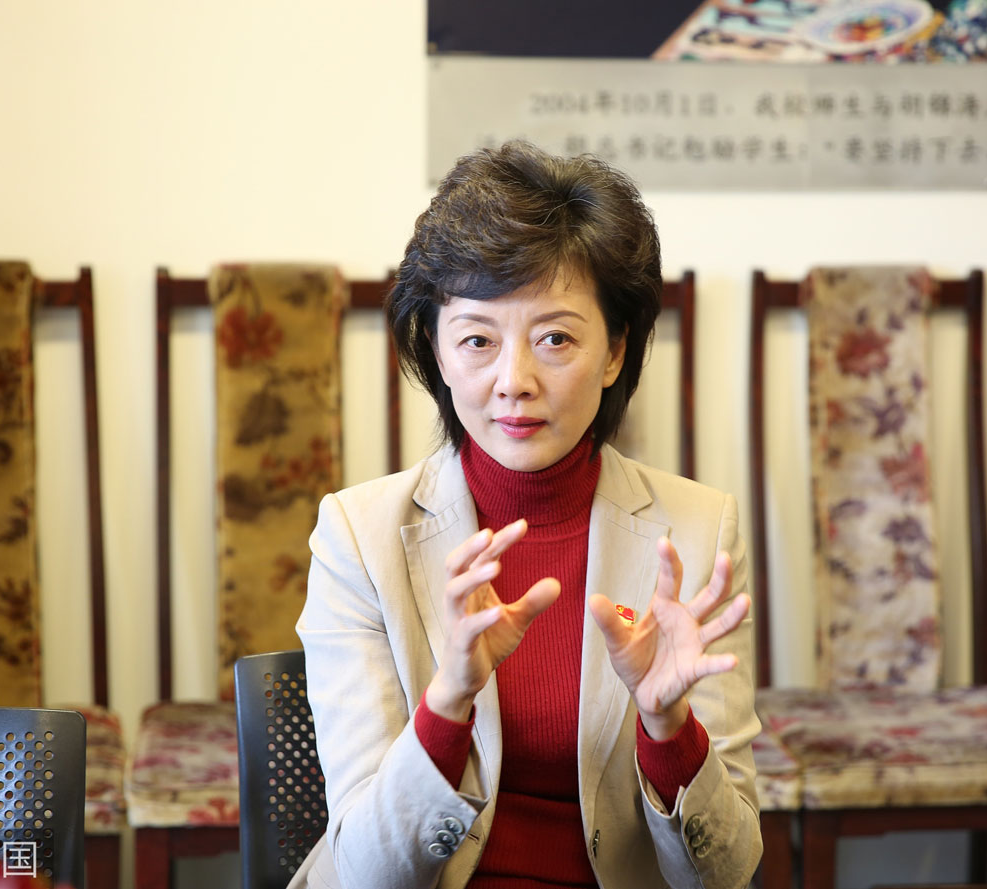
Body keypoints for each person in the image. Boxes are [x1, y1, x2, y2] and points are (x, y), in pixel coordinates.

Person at [294, 140, 762, 889]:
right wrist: (448, 699)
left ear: (614, 352)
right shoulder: (359, 537)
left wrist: (668, 730)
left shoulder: (697, 534)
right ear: (437, 351)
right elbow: (364, 874)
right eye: (477, 339)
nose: (514, 380)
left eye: (555, 339)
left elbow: (728, 874)